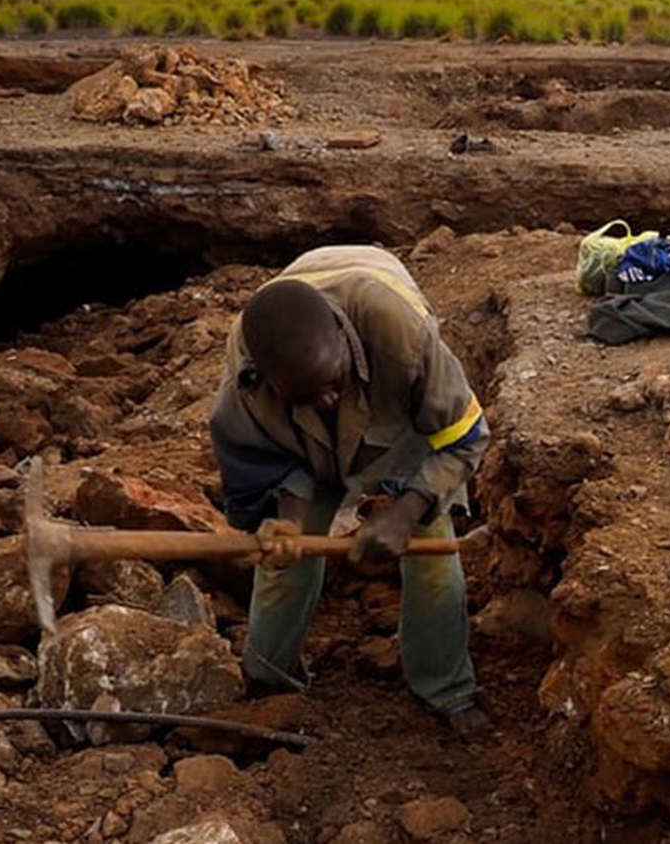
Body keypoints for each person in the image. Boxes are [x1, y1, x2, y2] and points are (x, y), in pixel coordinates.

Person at [208, 245, 490, 735]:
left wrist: (406, 510)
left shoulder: (401, 332)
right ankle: (269, 682)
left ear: (344, 336)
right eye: (306, 396)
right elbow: (266, 465)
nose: (326, 401)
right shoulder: (247, 383)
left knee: (432, 554)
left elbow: (464, 437)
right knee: (283, 561)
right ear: (271, 382)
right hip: (301, 442)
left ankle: (446, 688)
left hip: (393, 414)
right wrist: (288, 522)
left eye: (333, 383)